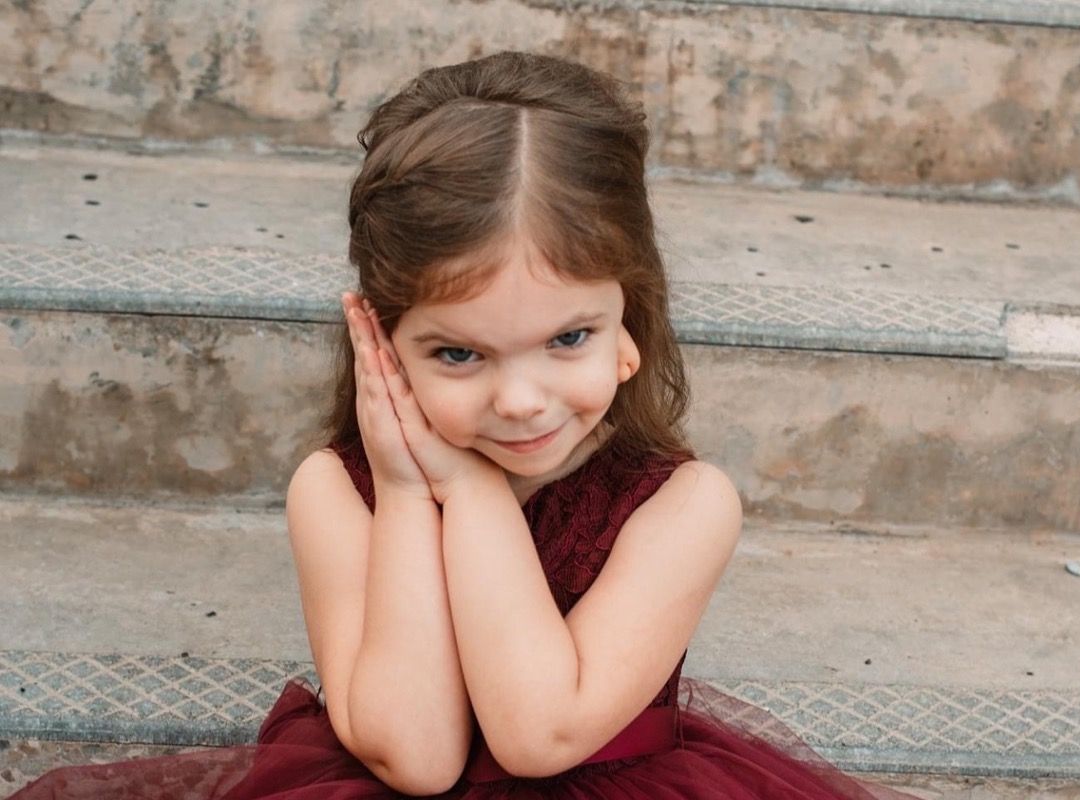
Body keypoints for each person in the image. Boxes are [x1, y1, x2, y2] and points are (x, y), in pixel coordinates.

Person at [10, 51, 920, 799]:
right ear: (382, 343)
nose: (520, 400)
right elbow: (416, 757)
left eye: (568, 338)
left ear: (629, 328)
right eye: (458, 353)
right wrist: (411, 493)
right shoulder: (338, 491)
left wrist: (470, 489)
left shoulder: (683, 506)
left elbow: (537, 735)